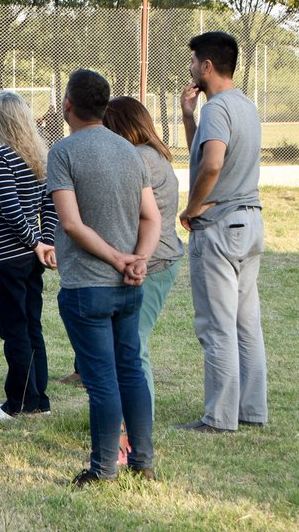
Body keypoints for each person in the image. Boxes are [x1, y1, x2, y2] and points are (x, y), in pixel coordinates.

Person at [47, 69, 159, 485]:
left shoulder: (63, 152)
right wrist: (138, 260)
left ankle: (103, 469)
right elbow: (152, 217)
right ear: (105, 106)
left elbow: (72, 224)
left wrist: (116, 258)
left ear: (68, 106)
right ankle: (143, 462)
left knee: (102, 381)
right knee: (130, 371)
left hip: (86, 286)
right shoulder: (131, 152)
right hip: (129, 286)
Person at [177, 31, 266, 433]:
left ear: (207, 66)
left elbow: (212, 165)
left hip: (219, 226)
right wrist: (187, 116)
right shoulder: (245, 105)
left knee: (216, 325)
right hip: (250, 222)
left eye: (195, 61)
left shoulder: (218, 109)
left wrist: (193, 208)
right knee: (246, 324)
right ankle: (250, 410)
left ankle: (219, 418)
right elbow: (207, 155)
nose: (192, 67)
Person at [103, 96, 183, 419]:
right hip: (159, 259)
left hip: (154, 262)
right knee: (131, 342)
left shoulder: (139, 159)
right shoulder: (155, 154)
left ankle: (139, 423)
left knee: (135, 345)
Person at [0, 90, 58, 421]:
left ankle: (19, 401)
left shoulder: (2, 157)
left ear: (0, 121)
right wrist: (44, 242)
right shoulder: (40, 157)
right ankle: (39, 397)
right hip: (31, 257)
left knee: (13, 329)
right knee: (31, 325)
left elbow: (8, 208)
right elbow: (49, 205)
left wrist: (32, 240)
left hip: (6, 257)